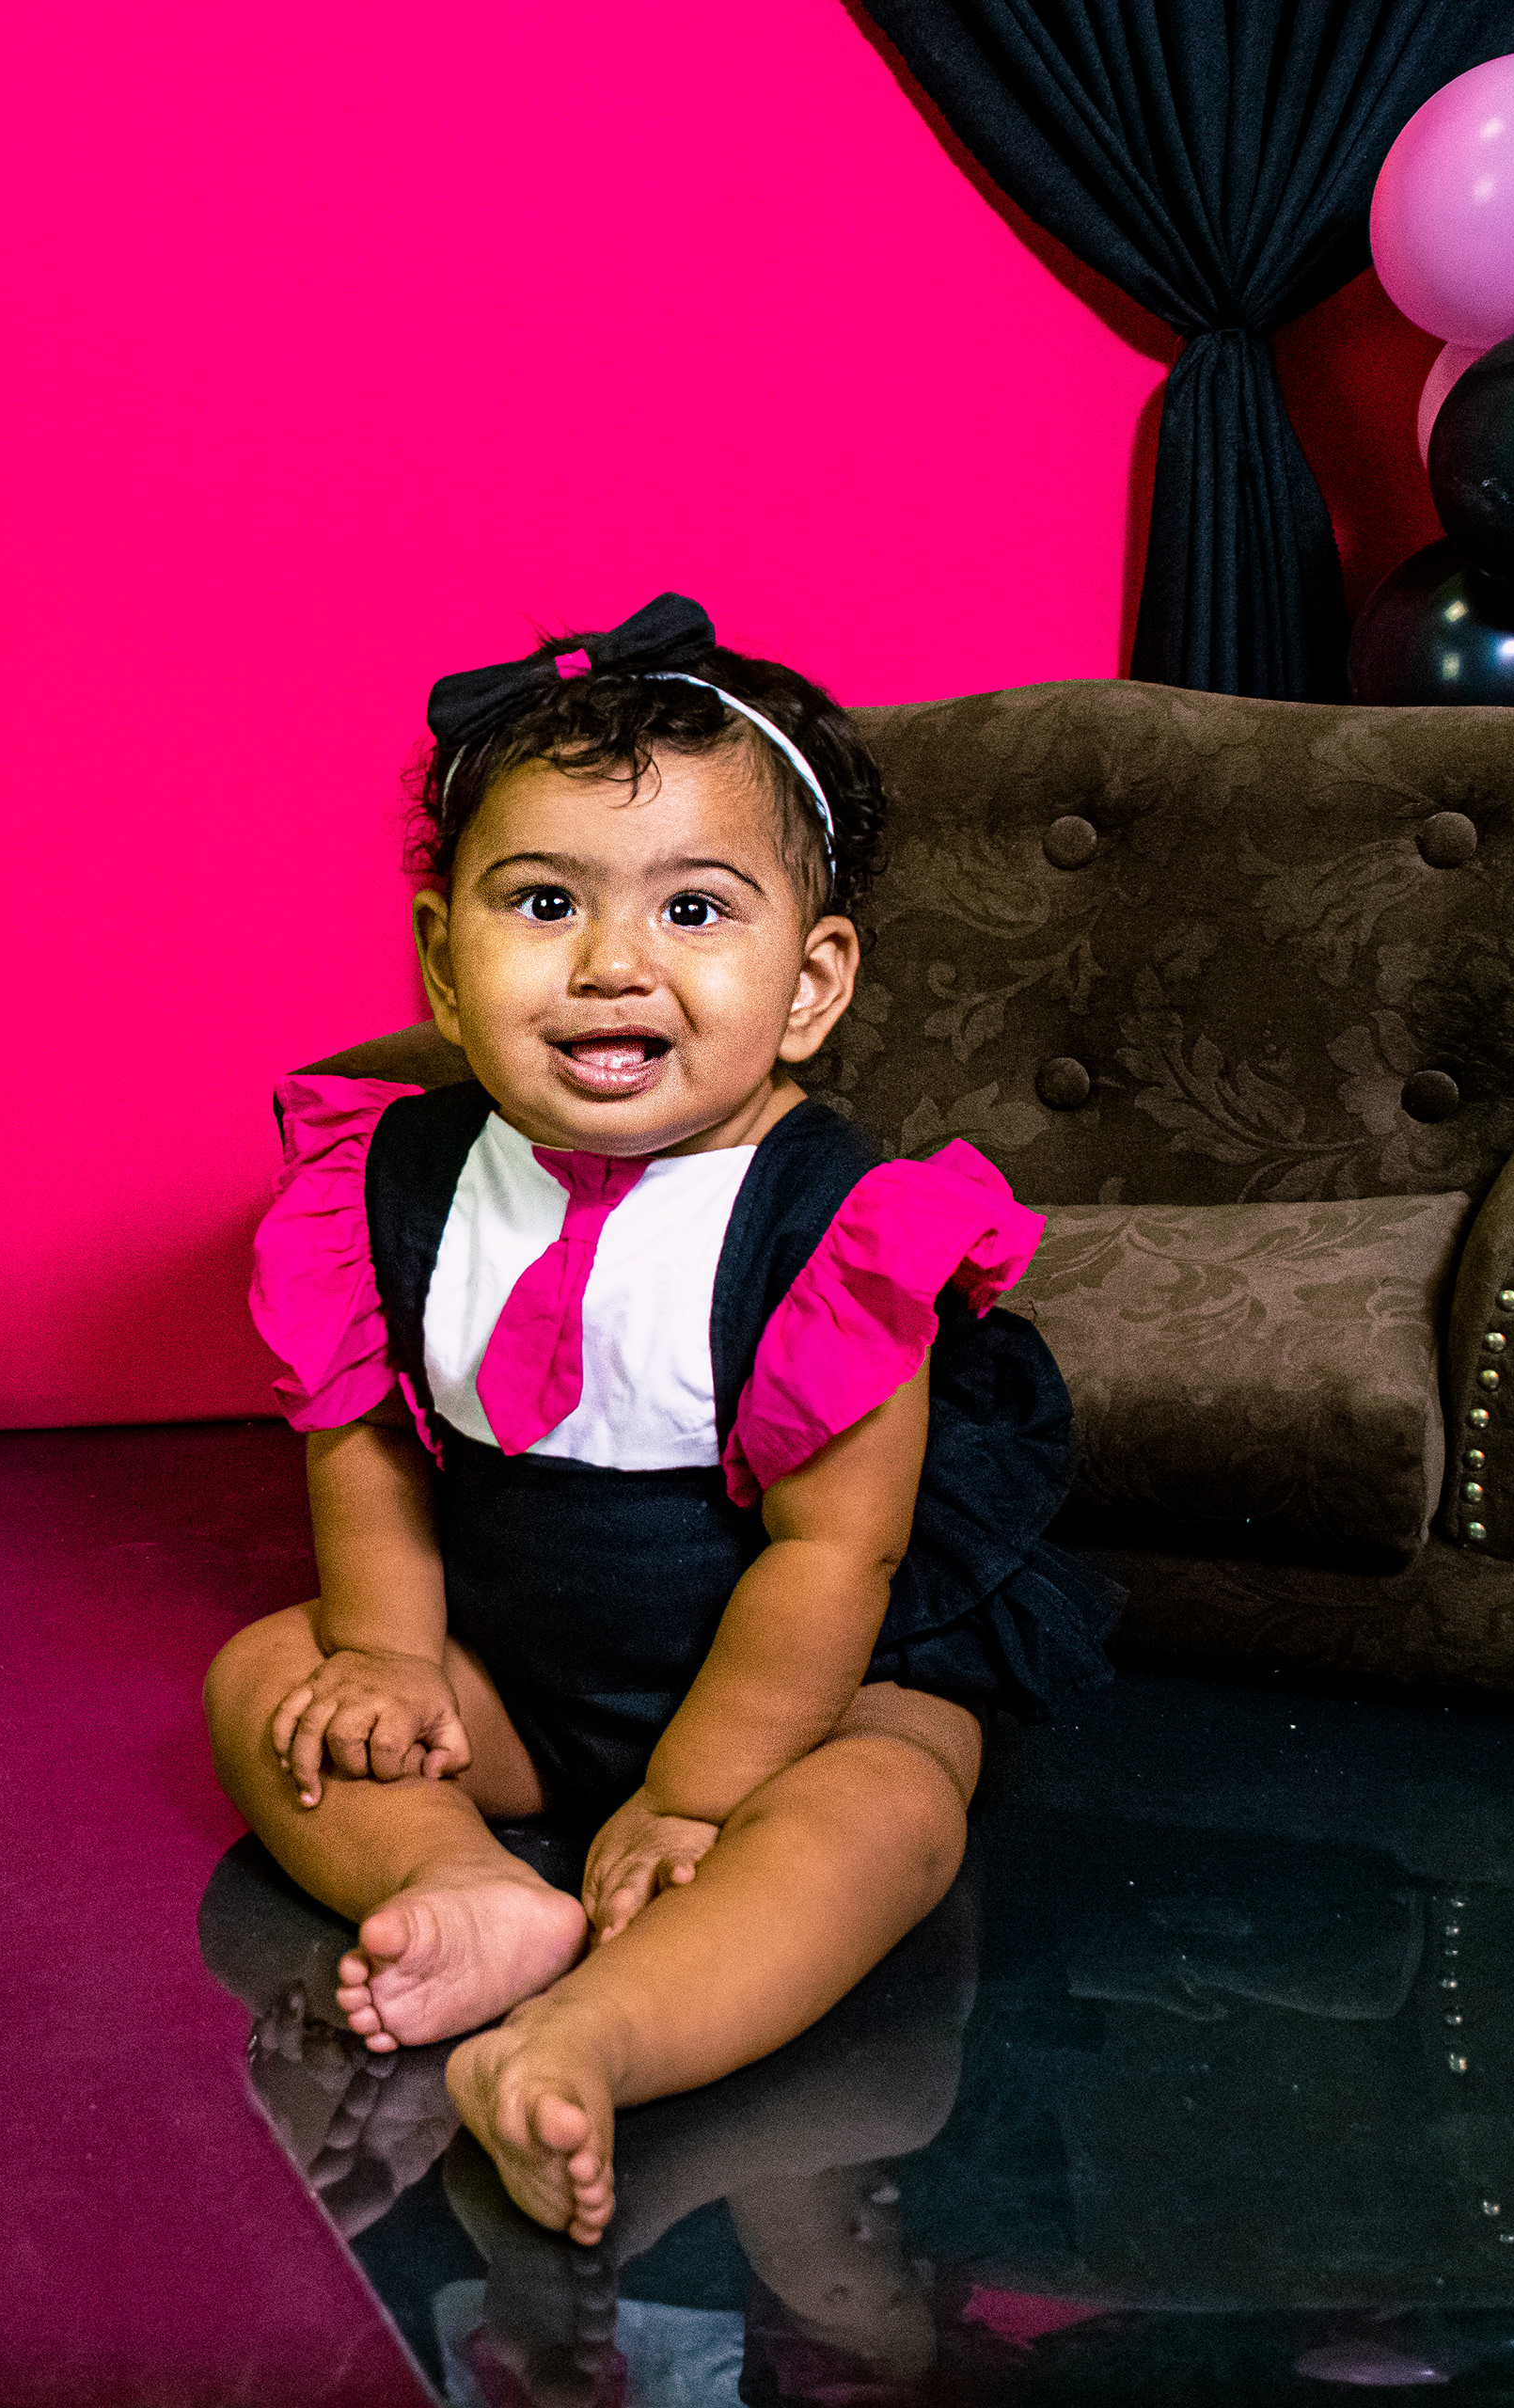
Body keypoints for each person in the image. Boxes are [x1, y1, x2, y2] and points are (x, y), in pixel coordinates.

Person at [203, 593, 1117, 2246]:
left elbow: (837, 1555)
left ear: (812, 982)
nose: (612, 963)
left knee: (897, 1810)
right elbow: (368, 1441)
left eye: (694, 910)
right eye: (544, 902)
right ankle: (461, 1890)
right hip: (517, 1674)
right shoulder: (384, 1179)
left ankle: (599, 2038)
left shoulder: (836, 1231)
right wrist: (392, 1660)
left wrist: (698, 1792)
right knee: (268, 1679)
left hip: (799, 1697)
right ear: (443, 959)